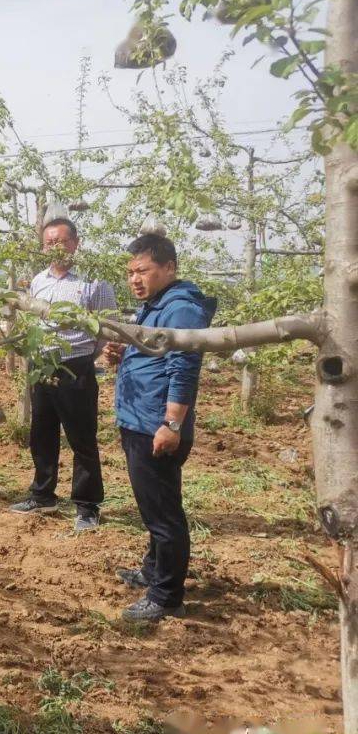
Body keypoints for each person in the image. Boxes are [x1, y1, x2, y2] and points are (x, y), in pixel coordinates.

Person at [103, 233, 217, 622]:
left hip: (156, 425)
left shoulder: (180, 310)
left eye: (143, 270)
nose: (135, 279)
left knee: (163, 515)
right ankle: (153, 571)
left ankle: (167, 596)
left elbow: (184, 372)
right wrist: (124, 353)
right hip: (141, 421)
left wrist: (171, 424)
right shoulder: (156, 306)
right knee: (156, 506)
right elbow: (155, 357)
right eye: (131, 272)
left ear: (169, 267)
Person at [10, 218, 117, 532]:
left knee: (81, 438)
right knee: (41, 433)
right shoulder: (39, 280)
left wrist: (86, 358)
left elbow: (106, 327)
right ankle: (43, 494)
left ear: (75, 243)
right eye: (48, 242)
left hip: (76, 367)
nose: (54, 247)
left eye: (60, 241)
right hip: (42, 367)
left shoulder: (93, 281)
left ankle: (87, 505)